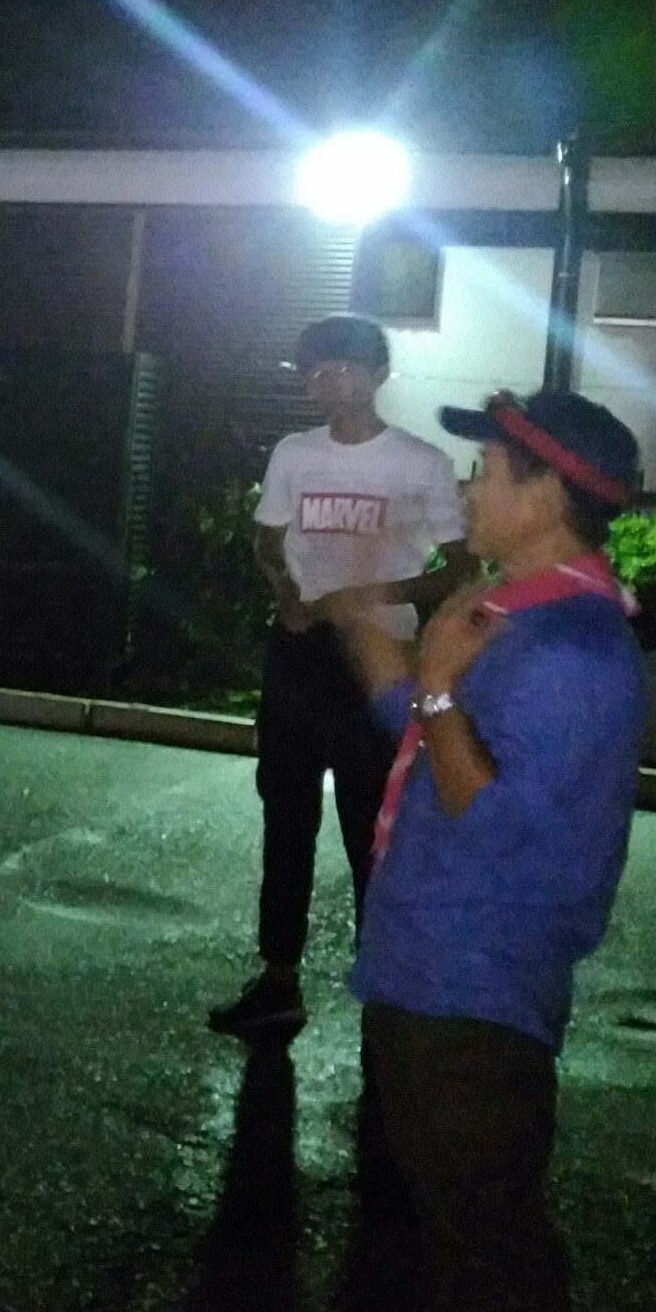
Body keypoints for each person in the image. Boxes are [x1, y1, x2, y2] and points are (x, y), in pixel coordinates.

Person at [322, 388, 646, 1312]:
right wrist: (357, 618)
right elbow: (424, 735)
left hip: (472, 995)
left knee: (492, 1256)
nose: (467, 488)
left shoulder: (572, 648)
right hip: (429, 973)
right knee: (456, 1241)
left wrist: (433, 684)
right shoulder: (512, 615)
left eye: (486, 470)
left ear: (545, 494)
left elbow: (494, 815)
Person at [210, 314, 474, 1037]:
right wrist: (288, 595)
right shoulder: (295, 454)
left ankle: (384, 992)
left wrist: (371, 595)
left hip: (378, 662)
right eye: (317, 371)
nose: (329, 382)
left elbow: (460, 568)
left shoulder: (420, 463)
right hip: (300, 653)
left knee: (372, 825)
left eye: (344, 368)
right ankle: (278, 978)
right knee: (286, 814)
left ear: (378, 374)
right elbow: (268, 542)